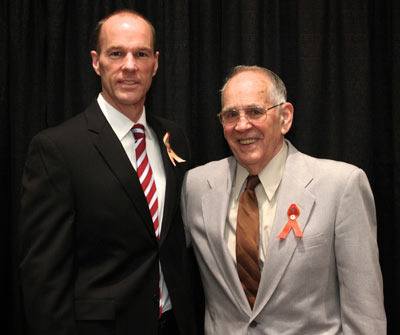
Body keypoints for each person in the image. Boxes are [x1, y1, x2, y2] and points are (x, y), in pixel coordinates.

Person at [18, 9, 201, 335]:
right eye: (116, 53)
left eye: (141, 54)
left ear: (155, 63)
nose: (129, 66)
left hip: (175, 324)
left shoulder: (174, 138)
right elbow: (42, 276)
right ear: (96, 61)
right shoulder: (57, 149)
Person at [181, 65, 386, 334]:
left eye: (255, 111)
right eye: (231, 115)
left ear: (285, 117)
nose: (242, 125)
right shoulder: (196, 186)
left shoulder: (341, 186)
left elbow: (365, 314)